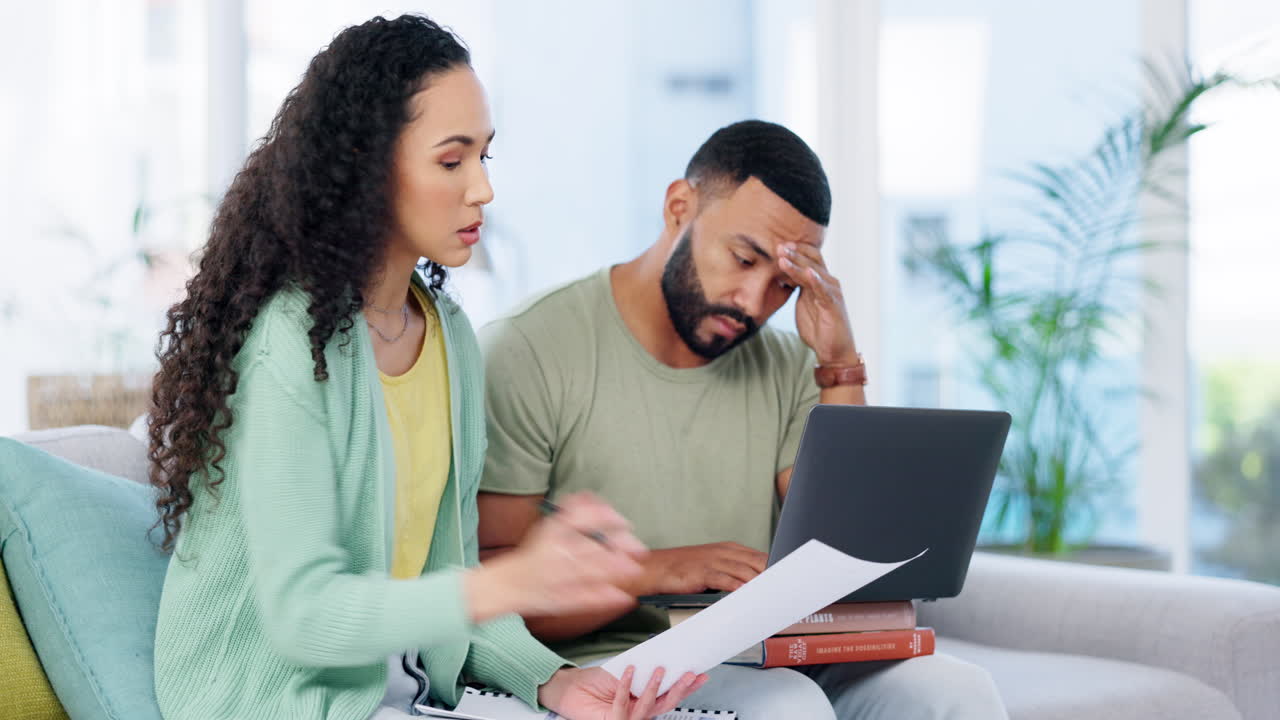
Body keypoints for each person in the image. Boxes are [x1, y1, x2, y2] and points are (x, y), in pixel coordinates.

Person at [145, 15, 705, 720]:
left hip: (403, 699)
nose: (482, 190)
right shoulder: (288, 343)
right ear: (366, 168)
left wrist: (554, 681)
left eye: (484, 157)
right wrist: (516, 583)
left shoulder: (448, 338)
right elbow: (303, 614)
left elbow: (452, 574)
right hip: (270, 703)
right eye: (451, 160)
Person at [477, 120, 1009, 719]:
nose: (754, 302)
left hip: (771, 654)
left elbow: (847, 557)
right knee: (788, 707)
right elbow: (491, 584)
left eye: (784, 284)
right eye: (742, 258)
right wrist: (660, 570)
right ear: (679, 206)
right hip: (616, 665)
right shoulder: (530, 348)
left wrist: (838, 363)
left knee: (957, 691)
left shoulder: (788, 366)